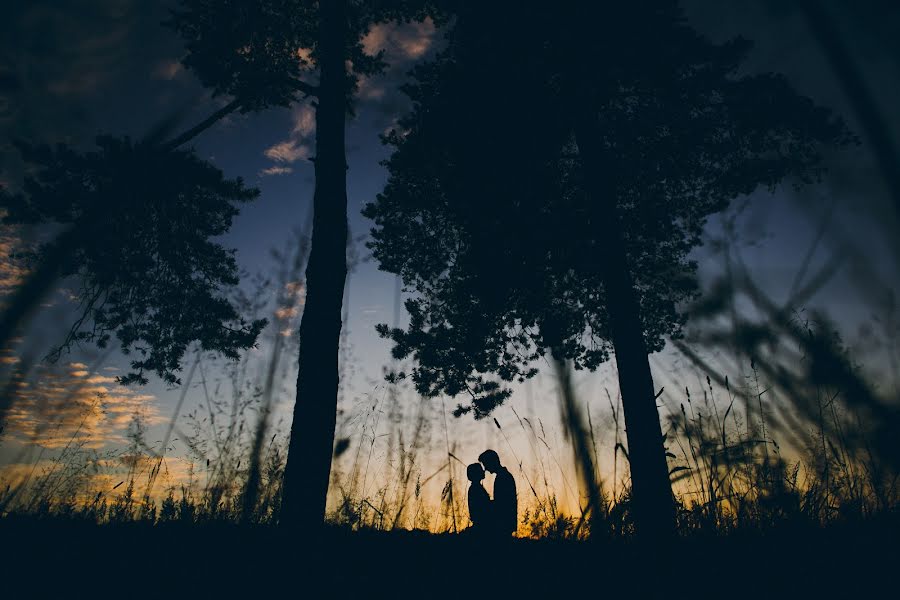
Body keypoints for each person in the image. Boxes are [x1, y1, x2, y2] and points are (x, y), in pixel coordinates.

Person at [479, 449, 517, 536]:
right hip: (505, 523)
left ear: (491, 462)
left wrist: (486, 504)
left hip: (503, 523)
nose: (486, 469)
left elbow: (502, 504)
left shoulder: (503, 477)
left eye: (486, 464)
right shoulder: (503, 476)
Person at [466, 462, 492, 534]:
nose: (483, 471)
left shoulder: (475, 487)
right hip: (482, 524)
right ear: (476, 473)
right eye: (480, 470)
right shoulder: (476, 488)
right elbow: (483, 507)